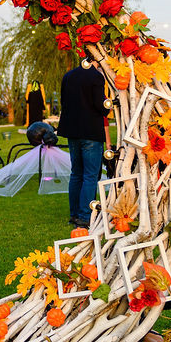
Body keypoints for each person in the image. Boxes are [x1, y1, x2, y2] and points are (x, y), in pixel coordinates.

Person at [58, 62, 110, 228]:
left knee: (76, 173)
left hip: (71, 130)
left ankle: (74, 214)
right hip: (90, 131)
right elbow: (99, 105)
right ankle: (85, 215)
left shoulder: (68, 75)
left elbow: (63, 101)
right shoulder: (95, 76)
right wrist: (109, 105)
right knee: (90, 175)